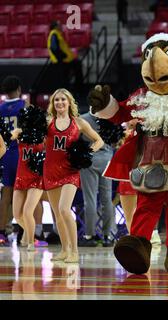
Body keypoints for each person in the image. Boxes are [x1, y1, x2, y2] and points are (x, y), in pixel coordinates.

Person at [44, 88, 104, 263]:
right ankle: (64, 250)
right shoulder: (48, 122)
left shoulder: (78, 122)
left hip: (70, 171)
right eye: (56, 100)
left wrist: (87, 153)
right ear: (53, 104)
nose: (60, 103)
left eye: (63, 99)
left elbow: (99, 140)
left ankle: (75, 251)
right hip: (50, 171)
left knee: (64, 209)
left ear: (69, 102)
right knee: (57, 214)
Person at [79, 113, 115, 248]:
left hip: (89, 159)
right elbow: (115, 138)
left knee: (90, 199)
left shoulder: (82, 119)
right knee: (107, 199)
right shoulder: (110, 117)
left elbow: (76, 140)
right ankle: (108, 236)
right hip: (107, 159)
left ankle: (89, 236)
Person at [10, 118, 45, 251]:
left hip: (36, 177)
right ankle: (33, 236)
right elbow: (10, 136)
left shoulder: (43, 134)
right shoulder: (19, 132)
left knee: (27, 211)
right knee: (17, 215)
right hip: (21, 176)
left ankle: (31, 243)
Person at [0, 76, 25, 246]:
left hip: (4, 153)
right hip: (21, 153)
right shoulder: (24, 107)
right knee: (24, 192)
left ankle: (1, 233)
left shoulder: (0, 108)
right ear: (19, 88)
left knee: (6, 194)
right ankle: (24, 232)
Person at [47, 21, 83, 91]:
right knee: (63, 79)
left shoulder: (57, 34)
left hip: (66, 60)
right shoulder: (54, 34)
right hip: (62, 60)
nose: (61, 26)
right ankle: (76, 90)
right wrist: (62, 56)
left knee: (68, 76)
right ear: (55, 26)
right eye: (59, 25)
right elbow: (53, 48)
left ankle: (76, 89)